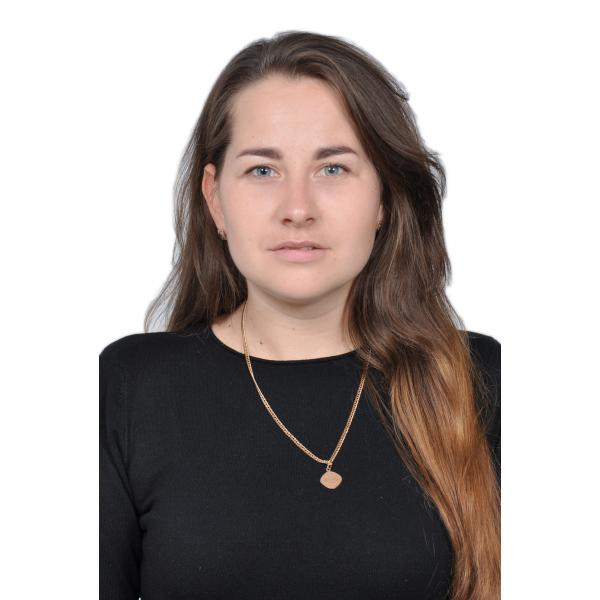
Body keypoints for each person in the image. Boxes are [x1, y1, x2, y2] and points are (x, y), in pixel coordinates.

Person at [100, 30, 500, 600]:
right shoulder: (129, 388)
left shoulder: (482, 378)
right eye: (263, 171)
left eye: (332, 169)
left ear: (384, 198)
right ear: (215, 198)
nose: (297, 209)